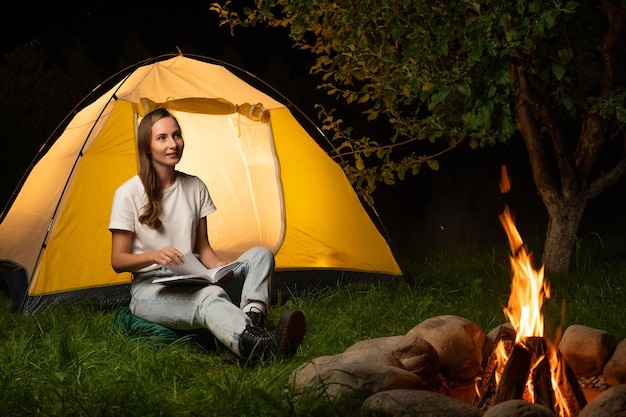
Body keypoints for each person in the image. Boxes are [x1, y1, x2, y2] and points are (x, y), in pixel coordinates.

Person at [108, 107, 305, 361]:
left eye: (176, 135)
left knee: (261, 255)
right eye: (162, 138)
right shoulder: (128, 193)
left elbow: (203, 248)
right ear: (147, 147)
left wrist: (220, 268)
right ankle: (263, 348)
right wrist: (154, 256)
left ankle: (252, 326)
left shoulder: (195, 186)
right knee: (209, 296)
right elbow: (118, 260)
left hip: (192, 276)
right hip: (151, 290)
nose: (173, 144)